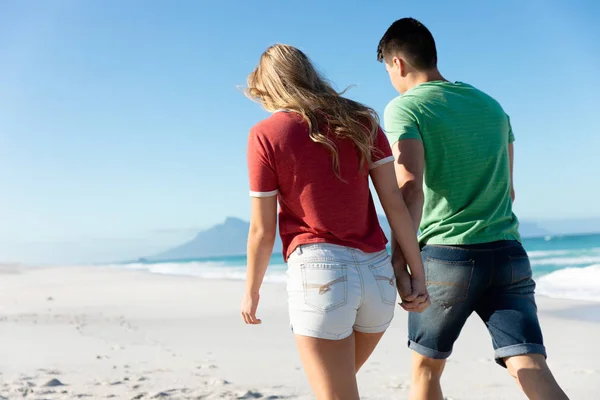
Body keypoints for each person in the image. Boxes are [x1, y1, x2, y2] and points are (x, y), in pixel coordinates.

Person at [377, 18, 569, 400]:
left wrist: (401, 261)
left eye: (387, 70)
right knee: (528, 361)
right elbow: (509, 191)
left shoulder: (405, 108)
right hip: (509, 254)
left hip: (448, 256)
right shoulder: (491, 105)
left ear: (397, 63)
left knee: (425, 371)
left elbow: (410, 186)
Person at [240, 44, 429, 400]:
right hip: (377, 280)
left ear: (270, 87)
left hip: (320, 277)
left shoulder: (266, 134)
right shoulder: (361, 120)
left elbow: (262, 230)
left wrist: (251, 292)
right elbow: (395, 203)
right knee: (336, 390)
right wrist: (416, 273)